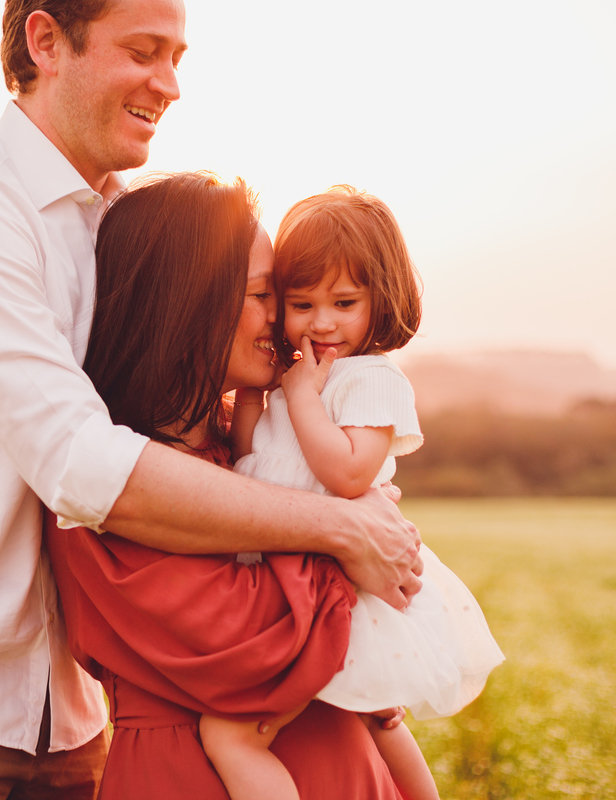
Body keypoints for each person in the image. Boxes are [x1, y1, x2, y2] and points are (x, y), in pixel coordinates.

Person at [0, 1, 422, 798]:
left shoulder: (128, 226)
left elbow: (173, 395)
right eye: (142, 51)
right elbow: (79, 458)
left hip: (68, 707)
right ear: (46, 41)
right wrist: (340, 526)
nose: (168, 84)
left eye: (177, 57)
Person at [47, 171, 409, 800]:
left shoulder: (250, 449)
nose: (287, 319)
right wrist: (351, 542)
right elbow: (250, 639)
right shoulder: (105, 486)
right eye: (267, 294)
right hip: (187, 776)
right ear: (190, 302)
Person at [200, 187, 507, 800]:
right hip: (288, 575)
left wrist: (301, 397)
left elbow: (347, 474)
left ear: (379, 300)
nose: (321, 322)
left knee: (239, 732)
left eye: (344, 303)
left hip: (339, 586)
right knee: (371, 716)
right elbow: (251, 456)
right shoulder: (299, 378)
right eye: (301, 304)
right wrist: (257, 395)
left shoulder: (369, 379)